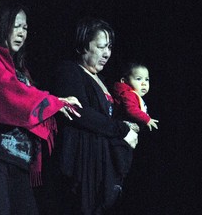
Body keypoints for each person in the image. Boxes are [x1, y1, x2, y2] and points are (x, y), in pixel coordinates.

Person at [0, 1, 82, 215]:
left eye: (26, 28)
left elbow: (27, 98)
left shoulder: (20, 69)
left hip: (16, 161)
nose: (22, 33)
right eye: (16, 26)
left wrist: (56, 104)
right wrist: (55, 102)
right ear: (1, 24)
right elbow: (9, 92)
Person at [51, 17, 139, 215]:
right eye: (100, 46)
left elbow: (105, 118)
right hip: (80, 165)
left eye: (109, 47)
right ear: (83, 46)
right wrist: (121, 129)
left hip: (102, 164)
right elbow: (78, 112)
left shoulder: (101, 79)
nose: (106, 53)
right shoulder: (70, 71)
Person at [112, 62, 159, 131]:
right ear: (124, 81)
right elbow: (131, 109)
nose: (144, 83)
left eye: (147, 79)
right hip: (122, 128)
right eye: (138, 79)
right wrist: (146, 119)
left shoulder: (133, 94)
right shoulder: (128, 94)